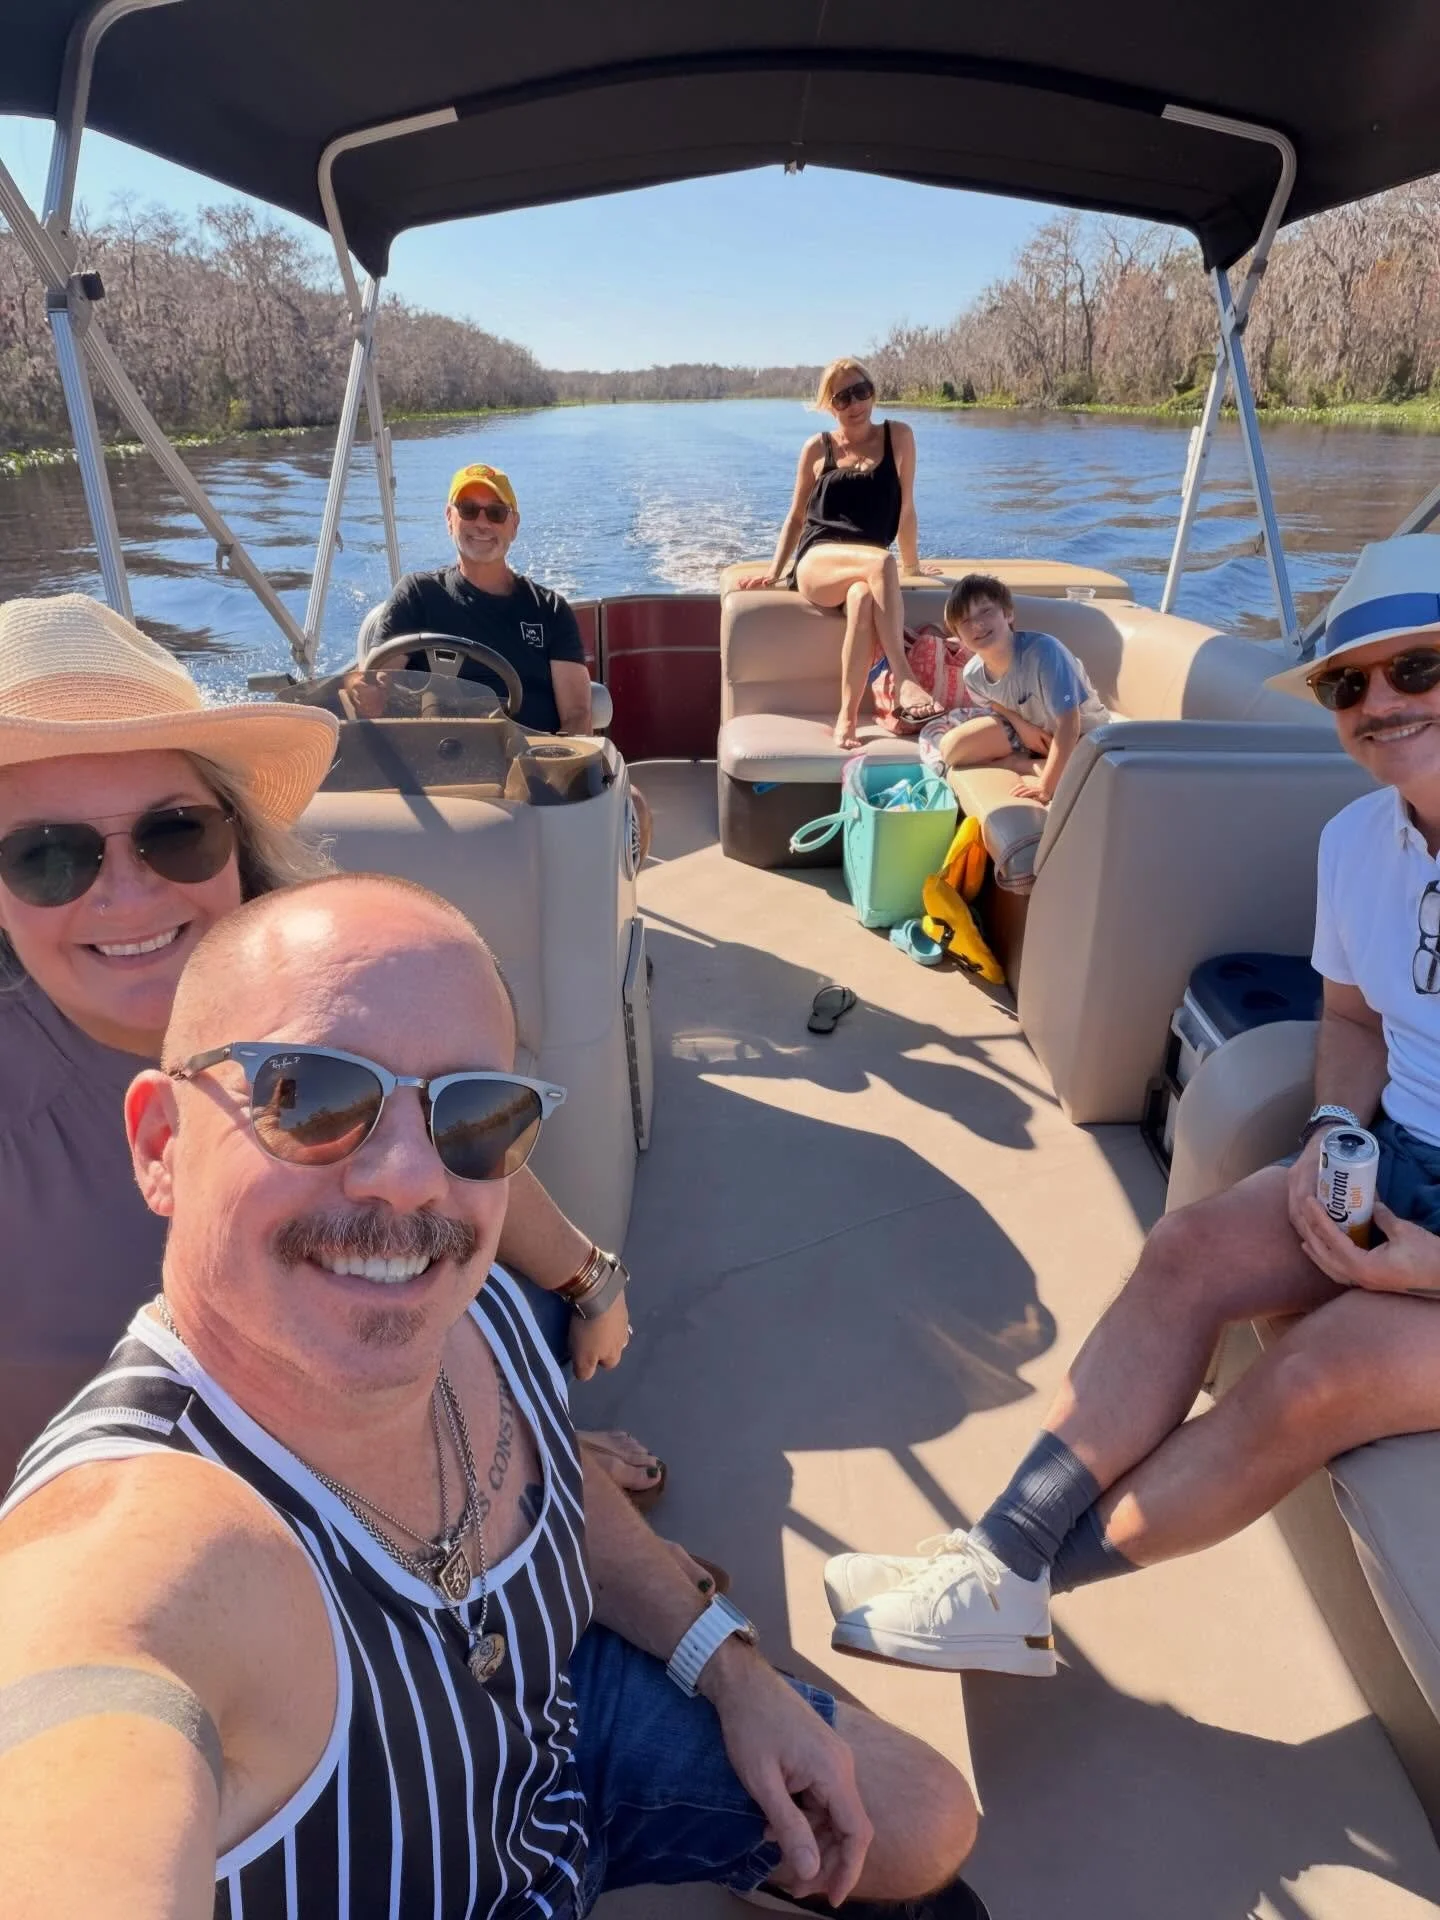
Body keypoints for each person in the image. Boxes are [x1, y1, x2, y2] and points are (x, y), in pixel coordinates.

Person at [0, 872, 983, 1917]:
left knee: (924, 1821)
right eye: (312, 1097)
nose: (410, 1177)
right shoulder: (151, 1545)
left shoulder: (483, 1309)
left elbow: (552, 1481)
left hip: (551, 1753)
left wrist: (735, 1673)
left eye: (476, 1115)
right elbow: (82, 1741)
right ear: (162, 1143)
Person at [824, 533, 1440, 1675]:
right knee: (1186, 1251)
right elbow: (1352, 1023)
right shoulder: (1358, 840)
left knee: (1315, 1373)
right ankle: (997, 1557)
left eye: (1420, 669)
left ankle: (1020, 1583)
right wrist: (1332, 1132)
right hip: (1400, 1157)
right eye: (1351, 683)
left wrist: (1428, 1272)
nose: (1382, 702)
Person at [0, 595, 655, 1502]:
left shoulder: (315, 973)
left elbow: (448, 1123)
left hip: (407, 1438)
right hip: (171, 1543)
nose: (128, 894)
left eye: (176, 833)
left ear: (234, 839)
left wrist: (587, 1284)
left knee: (516, 1307)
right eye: (46, 857)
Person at [737, 358, 940, 751]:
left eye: (861, 391)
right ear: (830, 405)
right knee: (882, 563)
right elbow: (796, 518)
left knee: (864, 597)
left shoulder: (899, 436)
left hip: (866, 570)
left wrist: (912, 566)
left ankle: (846, 717)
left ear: (873, 391)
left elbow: (907, 509)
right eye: (843, 397)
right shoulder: (818, 447)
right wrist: (775, 571)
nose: (855, 403)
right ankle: (904, 679)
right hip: (819, 560)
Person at [370, 462, 593, 735]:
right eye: (468, 510)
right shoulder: (417, 595)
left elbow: (577, 716)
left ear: (514, 525)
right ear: (449, 518)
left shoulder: (551, 610)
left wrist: (557, 766)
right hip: (430, 765)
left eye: (497, 513)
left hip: (530, 767)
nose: (482, 523)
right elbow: (374, 691)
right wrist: (361, 692)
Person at [934, 575, 1110, 806]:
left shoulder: (1045, 652)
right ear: (958, 636)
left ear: (1008, 614)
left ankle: (1025, 765)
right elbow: (993, 704)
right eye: (965, 621)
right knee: (952, 749)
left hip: (1082, 734)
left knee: (1090, 773)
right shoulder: (972, 675)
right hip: (1032, 730)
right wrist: (1021, 725)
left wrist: (1046, 788)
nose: (977, 624)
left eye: (986, 612)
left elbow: (1070, 723)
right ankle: (1034, 762)